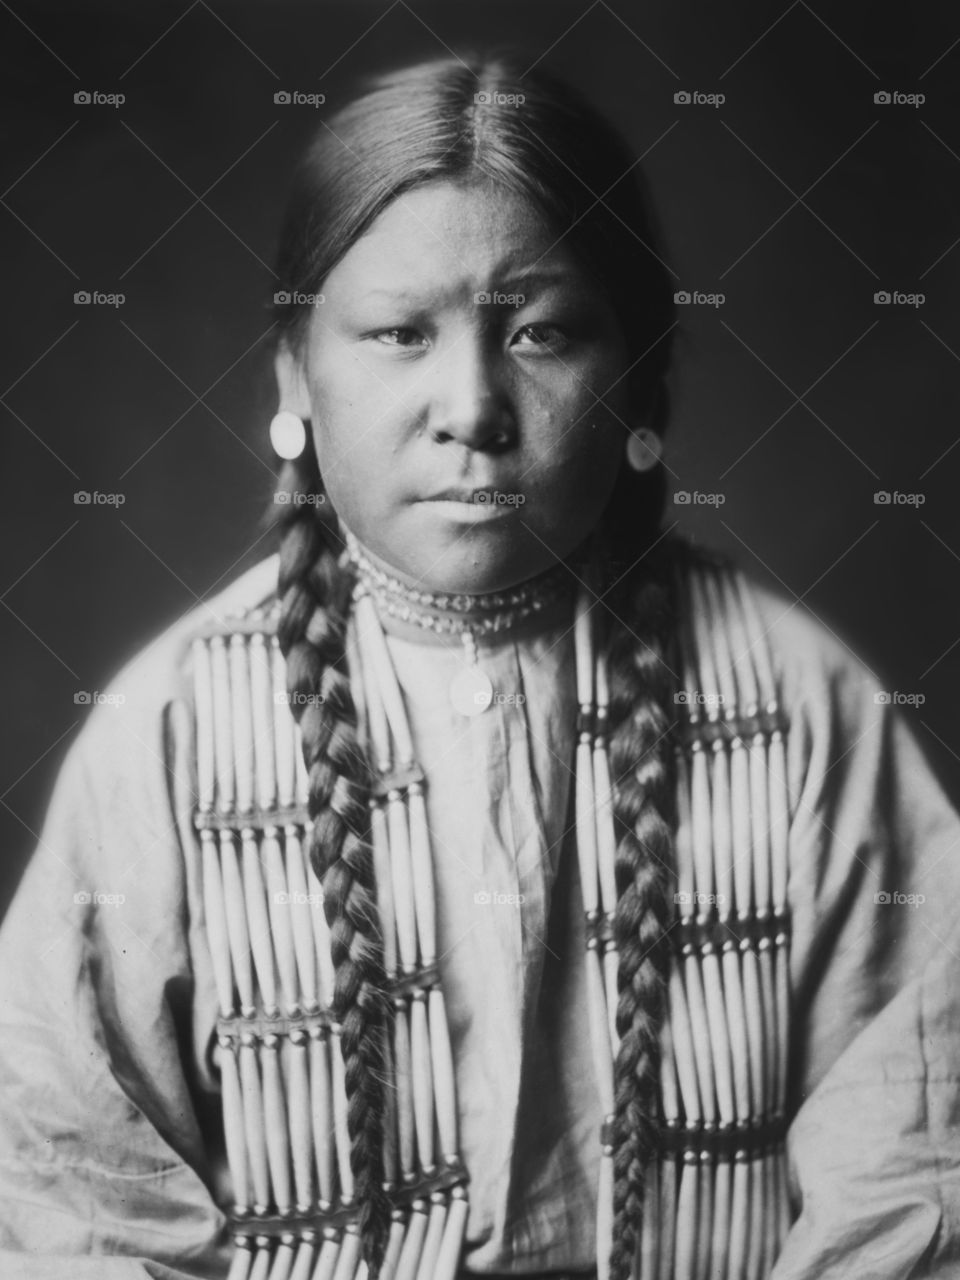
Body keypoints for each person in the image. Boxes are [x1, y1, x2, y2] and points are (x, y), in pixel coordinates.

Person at [2, 49, 960, 1280]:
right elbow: (73, 1195)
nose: (473, 405)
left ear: (640, 378)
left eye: (542, 331)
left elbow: (913, 1166)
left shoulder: (799, 700)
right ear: (297, 375)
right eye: (401, 332)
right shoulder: (168, 731)